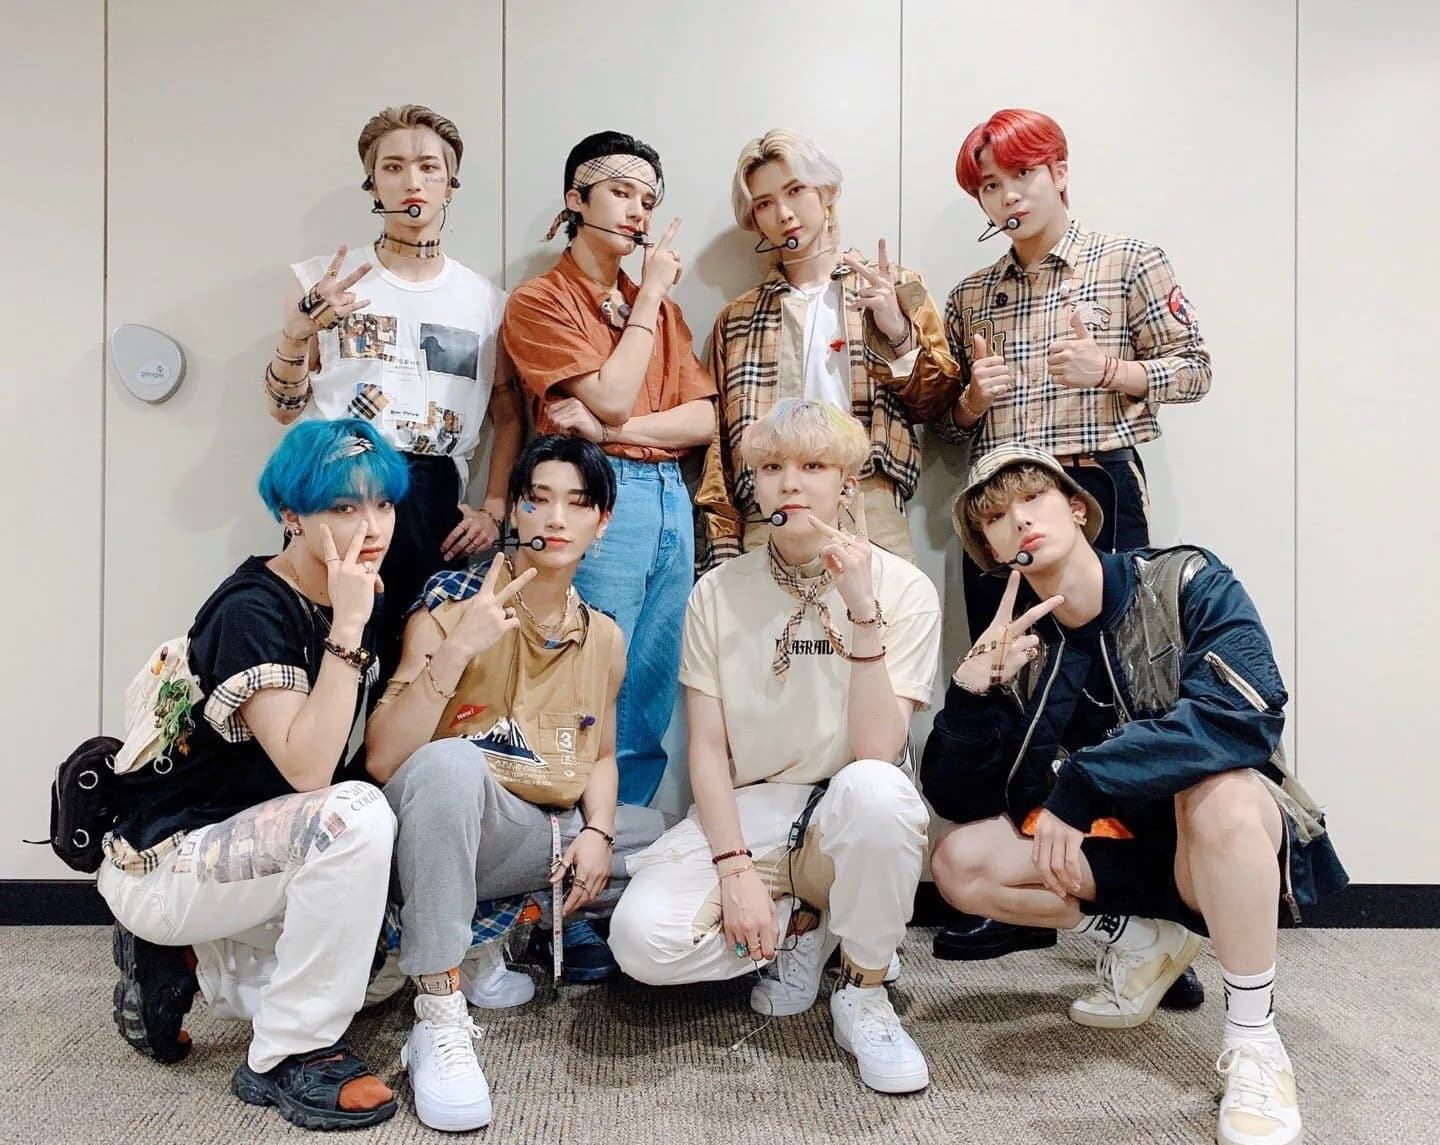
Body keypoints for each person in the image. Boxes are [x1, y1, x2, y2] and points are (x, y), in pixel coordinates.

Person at [924, 443, 1346, 1145]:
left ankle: (1254, 1042)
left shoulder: (1186, 579)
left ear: (1077, 508)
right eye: (995, 516)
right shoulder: (1023, 649)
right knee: (960, 861)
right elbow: (959, 799)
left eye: (1034, 498)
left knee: (1222, 796)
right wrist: (971, 692)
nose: (1018, 519)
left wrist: (1087, 779)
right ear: (991, 551)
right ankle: (1139, 937)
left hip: (1212, 848)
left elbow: (1245, 712)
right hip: (1117, 855)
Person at [932, 107, 1213, 965]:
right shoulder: (970, 295)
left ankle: (1150, 905)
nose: (1008, 196)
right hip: (998, 508)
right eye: (990, 185)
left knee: (1120, 686)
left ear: (1058, 171)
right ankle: (1021, 892)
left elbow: (1197, 366)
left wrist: (1113, 370)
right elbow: (946, 426)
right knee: (1010, 677)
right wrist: (970, 402)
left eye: (1022, 174)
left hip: (1097, 489)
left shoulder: (1128, 260)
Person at [611, 401, 939, 1095]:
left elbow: (877, 750)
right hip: (756, 810)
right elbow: (706, 748)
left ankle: (863, 988)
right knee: (641, 942)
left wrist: (861, 609)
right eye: (771, 467)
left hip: (846, 808)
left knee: (878, 791)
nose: (790, 482)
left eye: (813, 465)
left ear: (846, 483)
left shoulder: (904, 589)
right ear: (753, 484)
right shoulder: (717, 591)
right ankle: (805, 924)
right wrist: (733, 872)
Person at [99, 419, 407, 1131]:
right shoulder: (252, 609)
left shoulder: (352, 590)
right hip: (171, 855)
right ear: (292, 515)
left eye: (383, 503)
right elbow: (310, 770)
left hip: (247, 846)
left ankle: (181, 958)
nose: (371, 526)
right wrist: (349, 629)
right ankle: (289, 1055)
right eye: (343, 506)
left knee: (379, 970)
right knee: (355, 816)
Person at [364, 434, 666, 1131]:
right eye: (539, 499)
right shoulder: (451, 601)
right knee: (449, 763)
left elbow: (600, 754)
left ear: (602, 521)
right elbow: (382, 759)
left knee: (668, 839)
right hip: (438, 820)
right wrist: (459, 648)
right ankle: (438, 1008)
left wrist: (599, 832)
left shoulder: (604, 636)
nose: (556, 518)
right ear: (516, 512)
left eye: (577, 503)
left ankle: (492, 934)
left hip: (534, 830)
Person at [266, 103, 521, 675]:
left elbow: (508, 413)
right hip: (334, 479)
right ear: (372, 182)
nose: (412, 181)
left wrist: (494, 508)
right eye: (393, 166)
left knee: (414, 668)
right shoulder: (319, 282)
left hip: (432, 492)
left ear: (450, 184)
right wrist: (297, 332)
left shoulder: (487, 302)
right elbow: (283, 409)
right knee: (316, 656)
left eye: (429, 167)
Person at [502, 130, 717, 808]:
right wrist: (649, 297)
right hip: (590, 493)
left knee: (650, 680)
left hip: (669, 495)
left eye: (647, 200)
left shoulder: (664, 310)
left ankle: (626, 838)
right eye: (621, 193)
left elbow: (705, 420)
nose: (637, 212)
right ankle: (567, 837)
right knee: (585, 674)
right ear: (576, 198)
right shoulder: (540, 300)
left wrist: (607, 428)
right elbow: (616, 393)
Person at [701, 128, 963, 568]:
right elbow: (718, 447)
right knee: (769, 616)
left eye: (795, 190)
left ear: (826, 192)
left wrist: (897, 332)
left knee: (879, 613)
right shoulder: (738, 319)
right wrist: (722, 541)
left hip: (866, 501)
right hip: (769, 510)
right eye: (764, 203)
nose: (784, 213)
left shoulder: (894, 286)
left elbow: (939, 403)